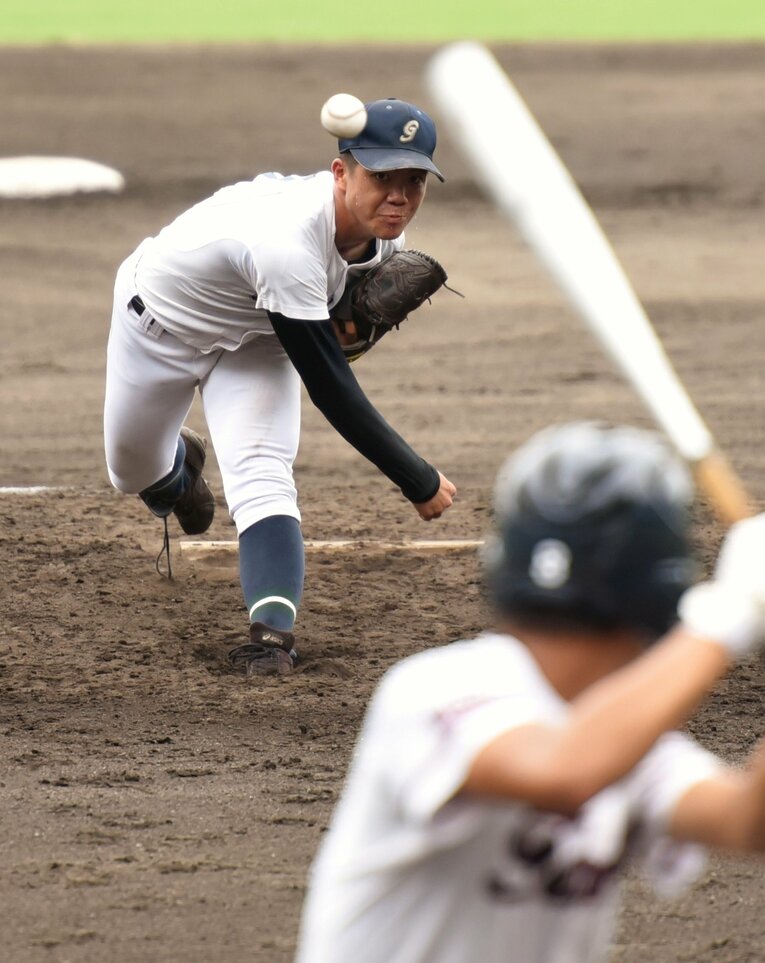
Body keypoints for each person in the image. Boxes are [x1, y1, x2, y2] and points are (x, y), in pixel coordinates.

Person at [295, 421, 765, 963]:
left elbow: (747, 822)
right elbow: (562, 772)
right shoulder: (435, 690)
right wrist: (726, 617)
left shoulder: (623, 735)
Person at [103, 97, 457, 676]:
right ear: (341, 174)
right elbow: (331, 386)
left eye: (414, 180)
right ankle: (177, 468)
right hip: (159, 329)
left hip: (260, 340)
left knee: (263, 473)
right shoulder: (287, 240)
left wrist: (341, 323)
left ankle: (272, 637)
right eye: (383, 177)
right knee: (132, 473)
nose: (399, 195)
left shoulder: (378, 243)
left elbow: (327, 334)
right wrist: (415, 477)